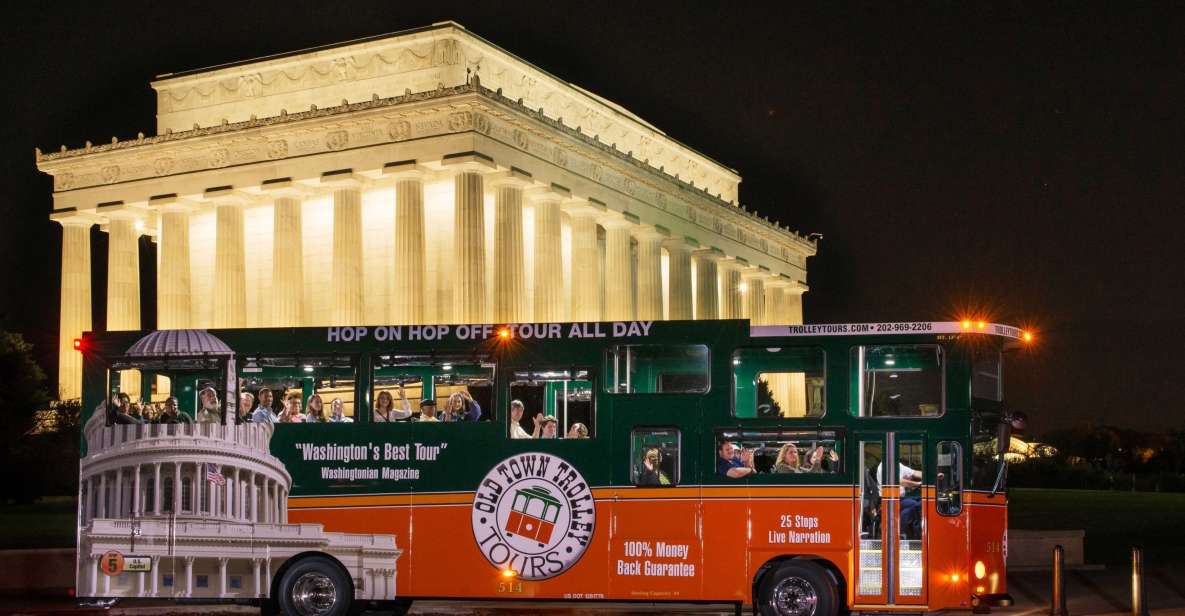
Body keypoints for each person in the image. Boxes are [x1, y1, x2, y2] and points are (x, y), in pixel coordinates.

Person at [878, 458, 923, 539]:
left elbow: (914, 473)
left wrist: (932, 476)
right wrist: (917, 484)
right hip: (888, 499)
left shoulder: (898, 465)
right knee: (912, 505)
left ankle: (916, 531)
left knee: (921, 501)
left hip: (900, 498)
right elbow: (898, 481)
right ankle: (898, 532)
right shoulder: (884, 466)